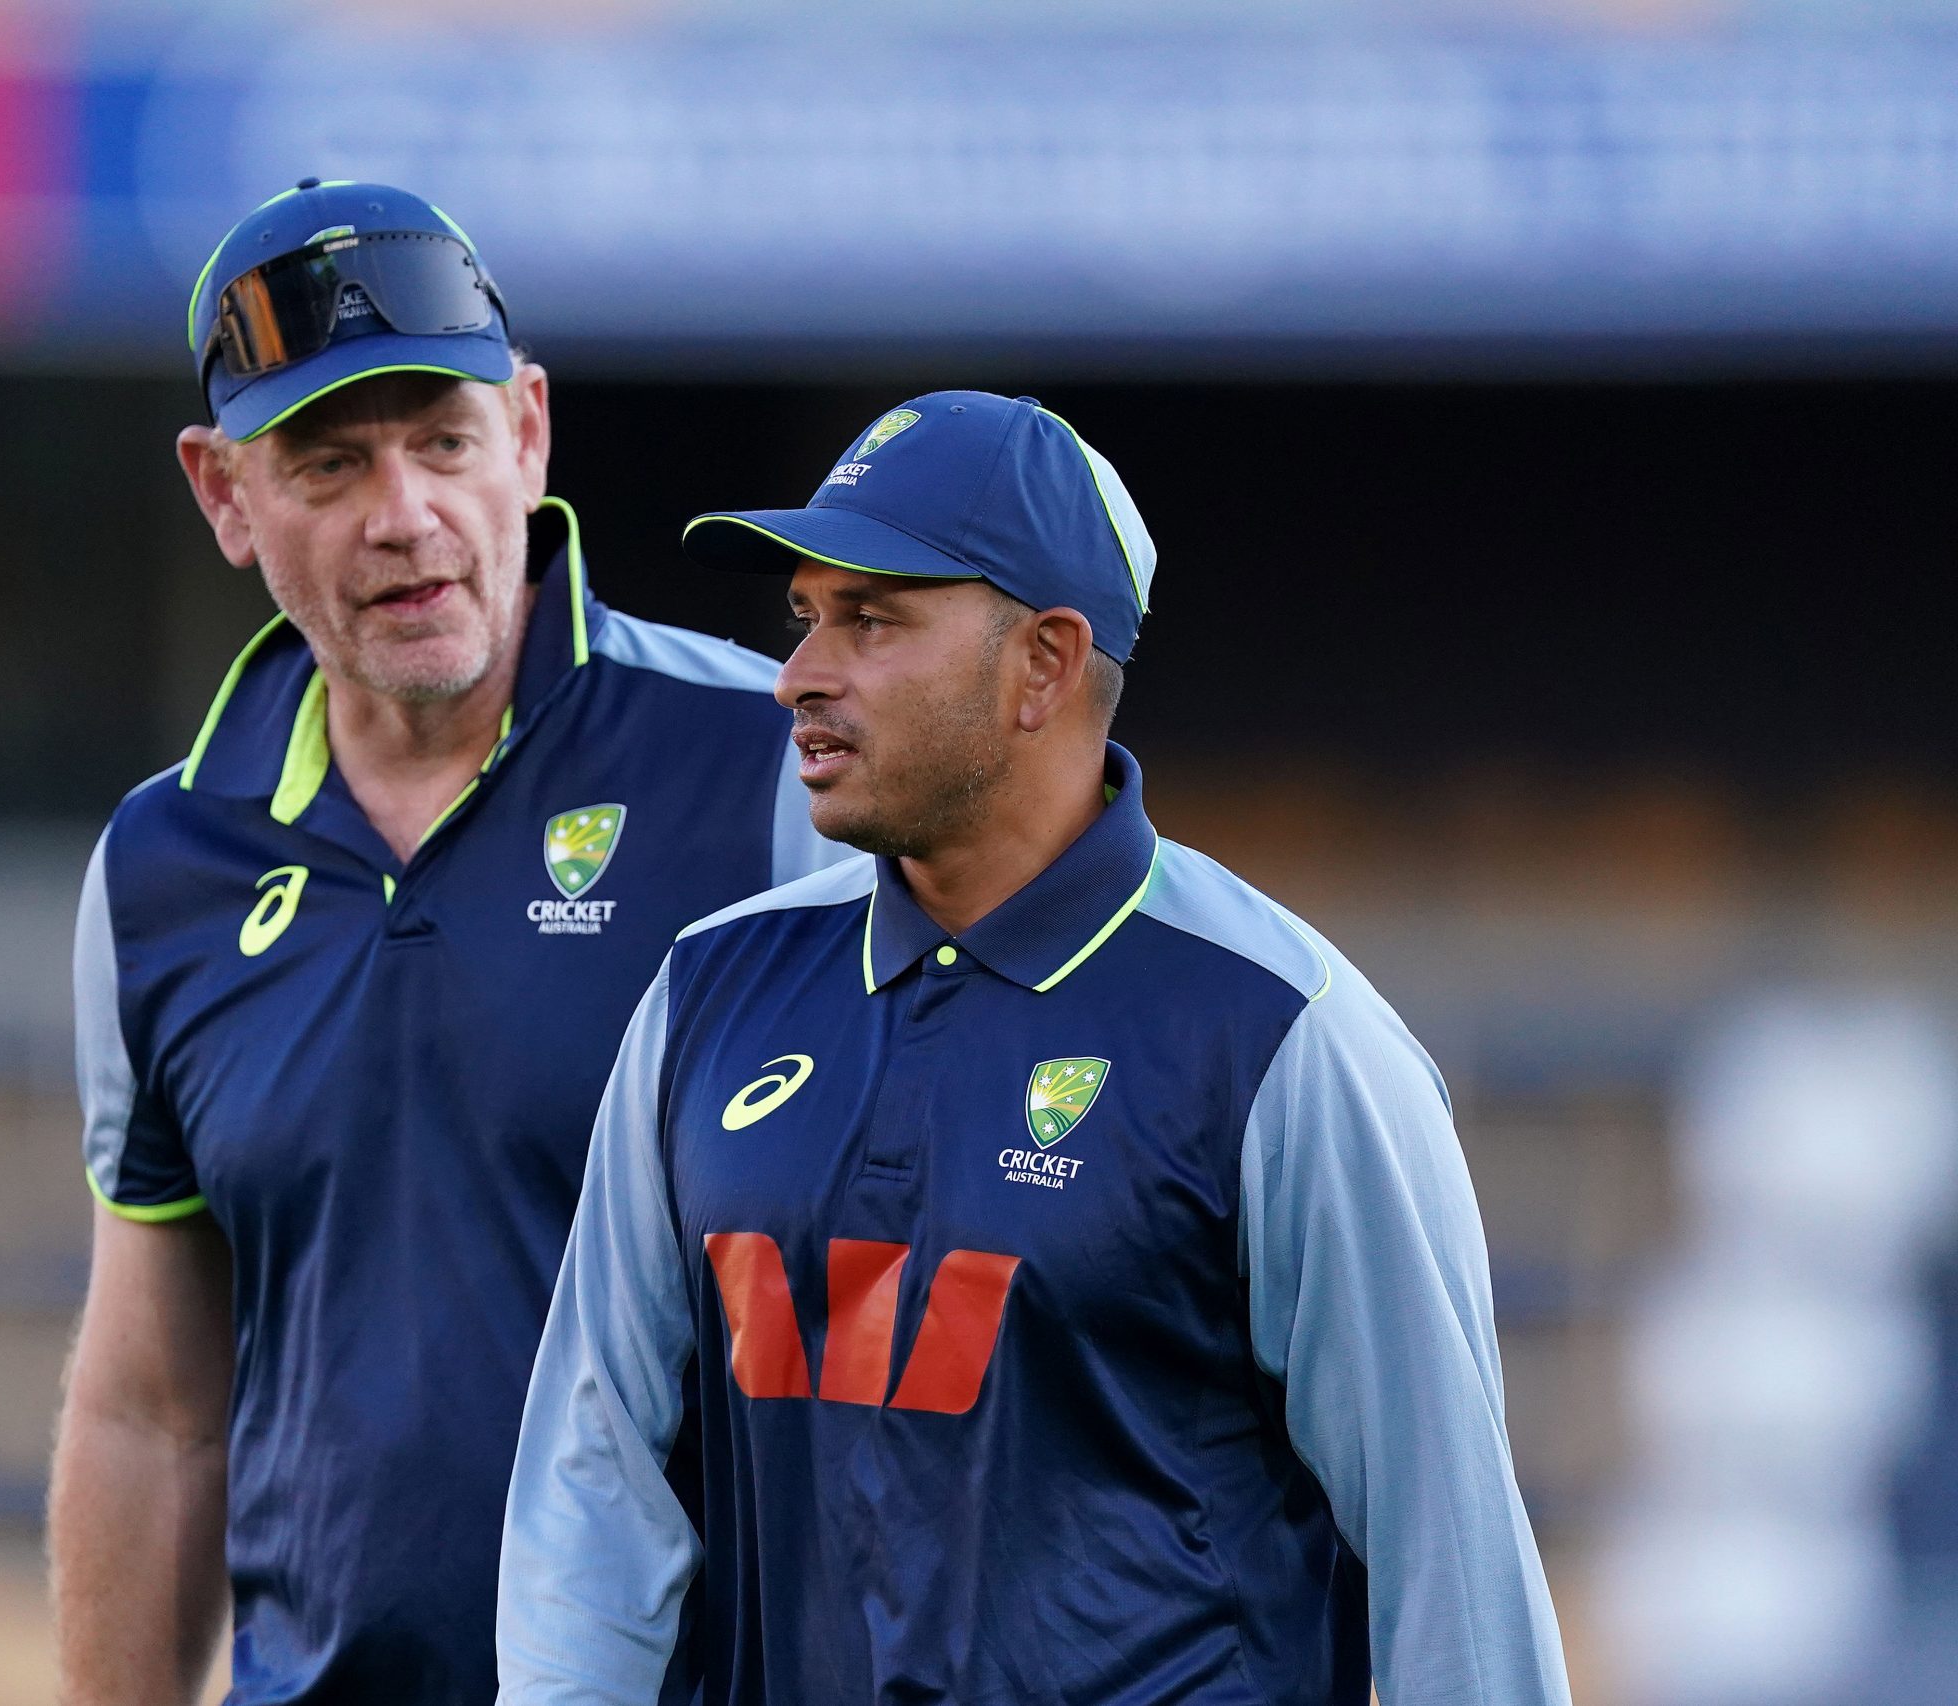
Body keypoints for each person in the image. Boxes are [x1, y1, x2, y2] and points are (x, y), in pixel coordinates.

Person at [496, 391, 1573, 1704]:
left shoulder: (1286, 1037)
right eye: (805, 616)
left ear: (1046, 664)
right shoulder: (705, 995)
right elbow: (592, 1488)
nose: (800, 675)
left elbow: (1447, 1565)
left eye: (871, 619)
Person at [47, 178, 841, 1706]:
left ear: (528, 434)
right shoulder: (162, 869)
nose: (403, 515)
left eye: (443, 443)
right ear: (224, 495)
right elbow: (153, 1409)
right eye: (331, 464)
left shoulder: (764, 772)